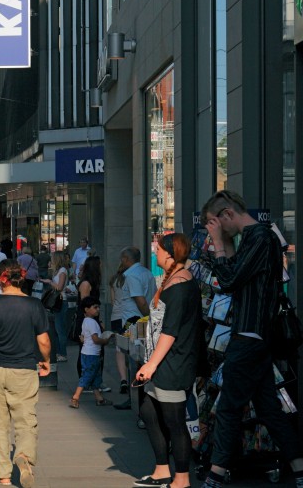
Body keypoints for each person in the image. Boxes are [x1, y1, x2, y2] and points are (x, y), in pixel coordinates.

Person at [200, 190, 303, 488]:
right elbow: (236, 274)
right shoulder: (257, 239)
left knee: (230, 408)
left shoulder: (259, 238)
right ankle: (299, 470)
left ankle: (216, 475)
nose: (213, 229)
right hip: (256, 337)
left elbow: (229, 282)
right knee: (270, 410)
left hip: (248, 336)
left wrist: (219, 243)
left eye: (213, 222)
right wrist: (225, 245)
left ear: (227, 215)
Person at [0, 259, 51, 488]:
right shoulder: (34, 306)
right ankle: (24, 457)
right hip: (25, 369)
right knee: (26, 418)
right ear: (22, 278)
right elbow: (44, 341)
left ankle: (3, 475)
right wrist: (45, 361)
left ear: (0, 279)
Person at [134, 233, 200, 488]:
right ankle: (162, 469)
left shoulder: (181, 286)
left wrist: (151, 364)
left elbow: (170, 331)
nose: (156, 252)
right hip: (159, 361)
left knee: (174, 422)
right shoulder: (172, 280)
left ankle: (181, 479)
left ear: (171, 253)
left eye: (159, 249)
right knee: (149, 412)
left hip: (172, 364)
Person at [110, 247, 152, 405]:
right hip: (140, 321)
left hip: (134, 322)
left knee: (136, 357)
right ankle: (138, 398)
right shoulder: (147, 273)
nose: (121, 262)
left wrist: (148, 316)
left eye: (122, 259)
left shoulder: (130, 276)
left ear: (127, 259)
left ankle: (136, 399)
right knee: (140, 356)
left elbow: (140, 300)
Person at [69, 297, 111, 407]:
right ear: (86, 309)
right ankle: (75, 397)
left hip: (88, 353)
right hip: (91, 354)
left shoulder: (86, 321)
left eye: (98, 307)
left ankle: (99, 399)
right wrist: (105, 341)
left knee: (95, 376)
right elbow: (95, 339)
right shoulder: (92, 322)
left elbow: (83, 337)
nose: (98, 310)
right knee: (87, 376)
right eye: (95, 307)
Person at [39, 251, 71, 362]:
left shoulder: (62, 271)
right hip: (57, 302)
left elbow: (59, 287)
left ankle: (62, 353)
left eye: (52, 258)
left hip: (61, 302)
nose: (50, 260)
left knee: (60, 329)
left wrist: (49, 282)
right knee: (57, 329)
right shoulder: (57, 271)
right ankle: (59, 352)